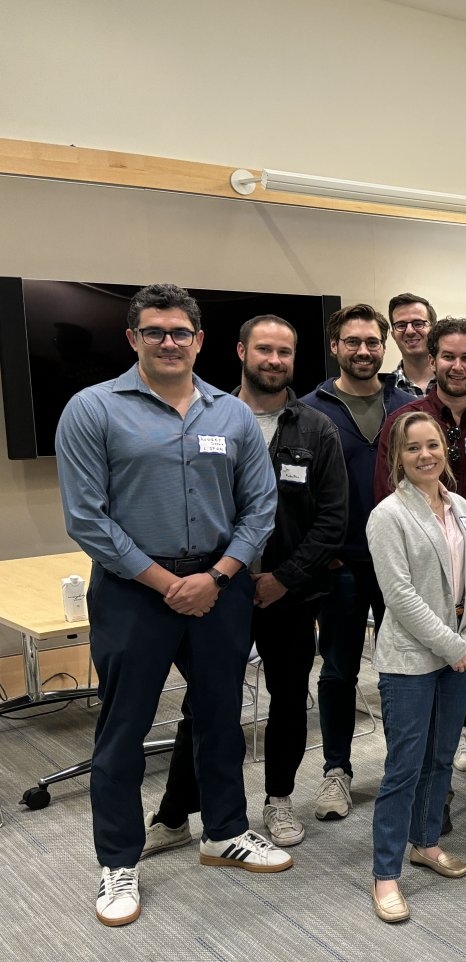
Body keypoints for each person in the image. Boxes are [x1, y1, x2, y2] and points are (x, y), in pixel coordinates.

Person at [56, 283, 287, 928]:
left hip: (219, 587)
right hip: (133, 590)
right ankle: (118, 861)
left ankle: (225, 832)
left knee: (220, 717)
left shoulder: (230, 414)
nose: (168, 342)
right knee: (124, 729)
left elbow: (260, 506)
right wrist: (166, 583)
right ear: (133, 338)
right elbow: (87, 518)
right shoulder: (92, 409)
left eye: (180, 332)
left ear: (199, 340)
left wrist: (217, 575)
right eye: (155, 331)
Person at [144, 315, 348, 857]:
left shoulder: (316, 429)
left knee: (289, 699)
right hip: (218, 589)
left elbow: (332, 519)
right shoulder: (207, 418)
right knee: (206, 703)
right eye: (264, 350)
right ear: (240, 352)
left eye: (285, 352)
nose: (274, 361)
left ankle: (278, 799)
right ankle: (175, 813)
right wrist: (220, 575)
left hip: (289, 593)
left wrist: (284, 578)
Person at [376, 317, 466, 826]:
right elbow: (388, 498)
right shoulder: (406, 422)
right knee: (430, 697)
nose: (457, 366)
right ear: (432, 359)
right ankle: (431, 793)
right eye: (448, 356)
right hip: (423, 587)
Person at [367, 411, 466, 922]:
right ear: (398, 457)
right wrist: (452, 645)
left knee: (441, 757)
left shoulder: (461, 507)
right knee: (405, 766)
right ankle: (385, 874)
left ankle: (426, 841)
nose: (425, 455)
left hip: (459, 651)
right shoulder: (388, 515)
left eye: (432, 445)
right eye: (413, 447)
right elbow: (399, 596)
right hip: (412, 659)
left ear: (445, 450)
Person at [306, 306, 418, 822]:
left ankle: (404, 767)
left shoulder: (408, 406)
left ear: (384, 346)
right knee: (339, 670)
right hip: (341, 565)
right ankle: (336, 771)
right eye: (352, 342)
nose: (363, 351)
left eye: (372, 342)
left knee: (403, 669)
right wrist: (319, 552)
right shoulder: (311, 411)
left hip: (402, 563)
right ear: (335, 346)